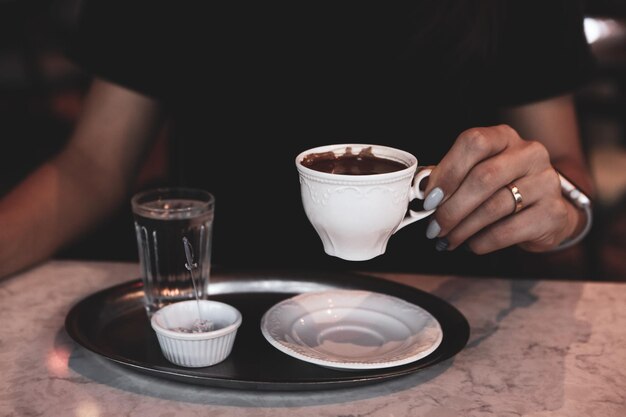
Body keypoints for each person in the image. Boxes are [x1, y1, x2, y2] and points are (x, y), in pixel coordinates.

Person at [0, 0, 596, 279]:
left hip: (453, 319)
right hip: (231, 318)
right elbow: (91, 167)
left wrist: (561, 210)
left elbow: (565, 176)